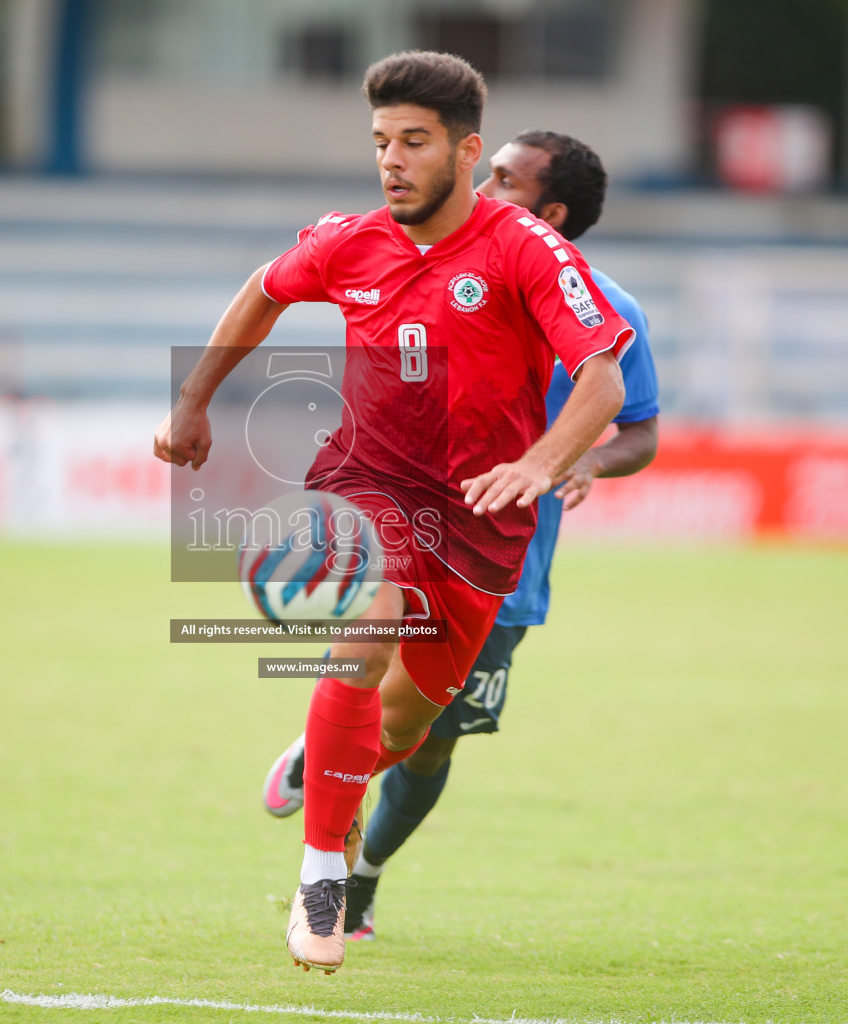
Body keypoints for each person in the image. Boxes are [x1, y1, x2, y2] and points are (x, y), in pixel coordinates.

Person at [154, 51, 635, 974]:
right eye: (381, 141)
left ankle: (324, 767)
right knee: (370, 626)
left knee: (409, 727)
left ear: (466, 152)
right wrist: (193, 400)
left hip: (483, 523)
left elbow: (604, 381)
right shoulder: (348, 239)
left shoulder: (527, 250)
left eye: (413, 142)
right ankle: (323, 874)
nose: (392, 160)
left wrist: (538, 464)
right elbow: (264, 289)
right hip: (369, 484)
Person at [261, 131, 660, 941]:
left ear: (551, 212)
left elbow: (640, 432)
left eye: (505, 180)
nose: (482, 185)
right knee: (369, 661)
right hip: (408, 530)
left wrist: (578, 461)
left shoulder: (609, 309)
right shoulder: (435, 267)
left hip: (509, 567)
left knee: (424, 740)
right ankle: (330, 868)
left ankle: (356, 854)